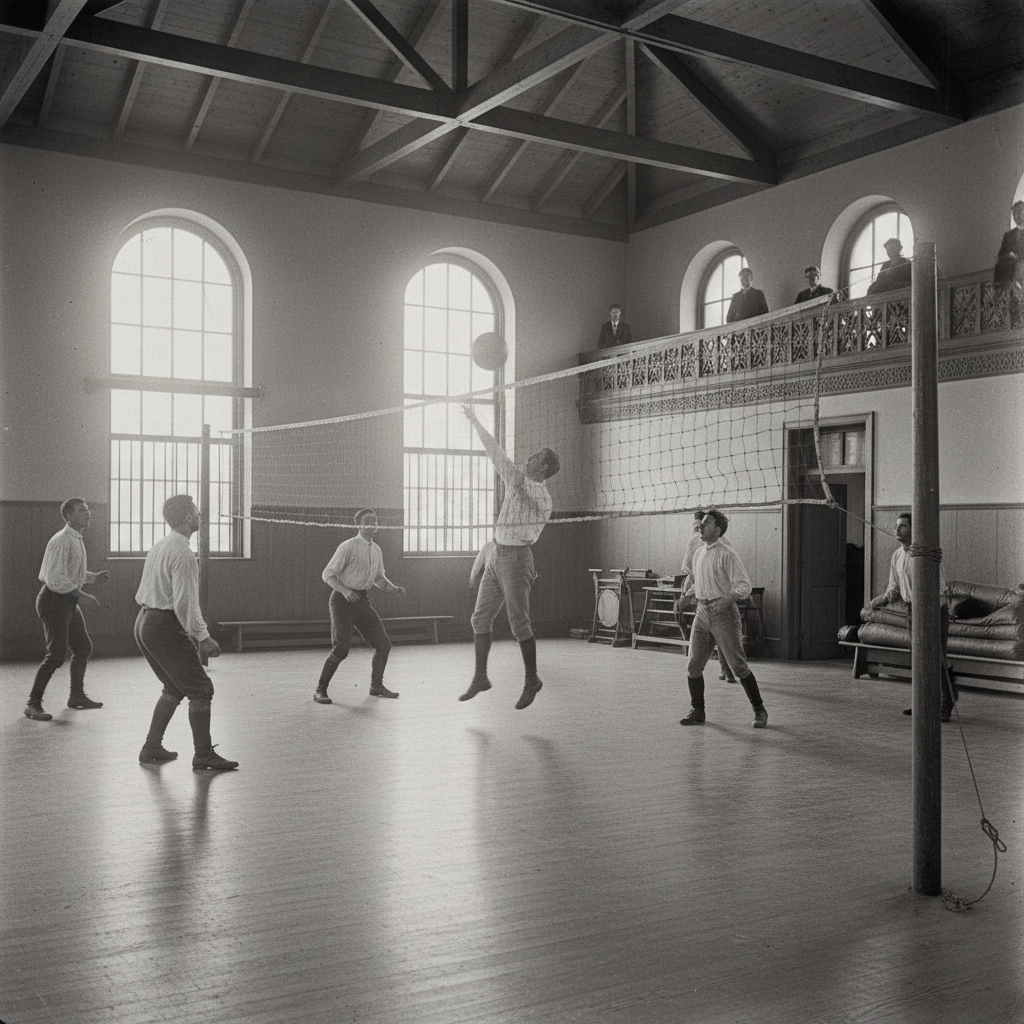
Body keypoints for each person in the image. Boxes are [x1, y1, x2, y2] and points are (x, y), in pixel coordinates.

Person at [460, 406, 560, 709]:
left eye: (535, 457)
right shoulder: (516, 477)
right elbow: (495, 452)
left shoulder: (543, 498)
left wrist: (519, 485)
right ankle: (480, 676)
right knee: (480, 617)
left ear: (542, 469)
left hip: (517, 559)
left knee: (518, 620)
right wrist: (476, 420)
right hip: (496, 553)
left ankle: (532, 680)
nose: (528, 457)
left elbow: (530, 504)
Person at [135, 495, 238, 769]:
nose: (200, 514)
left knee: (174, 687)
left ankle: (151, 747)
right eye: (196, 510)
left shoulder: (162, 545)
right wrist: (203, 638)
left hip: (144, 621)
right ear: (188, 517)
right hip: (162, 625)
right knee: (202, 689)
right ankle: (203, 754)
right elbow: (184, 604)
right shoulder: (182, 552)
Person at [678, 510, 767, 728]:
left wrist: (726, 601)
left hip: (724, 615)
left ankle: (759, 710)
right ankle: (698, 711)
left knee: (738, 667)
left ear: (717, 530)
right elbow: (699, 582)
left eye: (706, 524)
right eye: (701, 524)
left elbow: (744, 586)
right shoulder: (699, 553)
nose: (701, 527)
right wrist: (686, 597)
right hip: (702, 613)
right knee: (693, 666)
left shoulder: (728, 554)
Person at [24, 497, 111, 721]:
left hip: (66, 601)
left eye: (88, 508)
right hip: (53, 601)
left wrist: (94, 578)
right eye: (83, 510)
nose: (89, 513)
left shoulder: (76, 539)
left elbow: (73, 572)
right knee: (55, 655)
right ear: (69, 516)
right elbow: (56, 579)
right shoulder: (61, 540)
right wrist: (83, 594)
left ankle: (76, 696)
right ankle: (33, 704)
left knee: (82, 647)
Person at [868, 511, 957, 721]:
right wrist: (880, 599)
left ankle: (945, 701)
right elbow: (894, 589)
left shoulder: (924, 555)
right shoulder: (897, 556)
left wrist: (928, 611)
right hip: (911, 610)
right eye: (896, 526)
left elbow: (939, 588)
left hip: (934, 609)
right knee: (917, 658)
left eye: (903, 526)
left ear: (914, 530)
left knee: (935, 657)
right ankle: (923, 702)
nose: (897, 529)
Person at [315, 509, 405, 703]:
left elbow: (379, 579)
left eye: (374, 520)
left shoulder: (377, 549)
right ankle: (320, 690)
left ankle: (376, 686)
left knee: (383, 645)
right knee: (341, 649)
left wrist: (394, 589)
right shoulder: (348, 546)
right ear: (359, 525)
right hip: (342, 601)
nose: (372, 523)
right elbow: (327, 574)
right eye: (367, 521)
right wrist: (346, 592)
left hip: (362, 602)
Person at [678, 510, 737, 684]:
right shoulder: (694, 544)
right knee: (698, 652)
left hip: (719, 597)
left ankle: (728, 669)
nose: (699, 528)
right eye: (697, 525)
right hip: (700, 595)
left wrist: (726, 597)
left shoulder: (724, 546)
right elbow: (689, 571)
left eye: (702, 524)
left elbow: (732, 576)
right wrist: (685, 594)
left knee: (721, 636)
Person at [993, 200, 1024, 301]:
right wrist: (1010, 256)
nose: (1016, 216)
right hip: (1011, 279)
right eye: (1014, 213)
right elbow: (1001, 255)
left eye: (1019, 212)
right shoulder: (1008, 236)